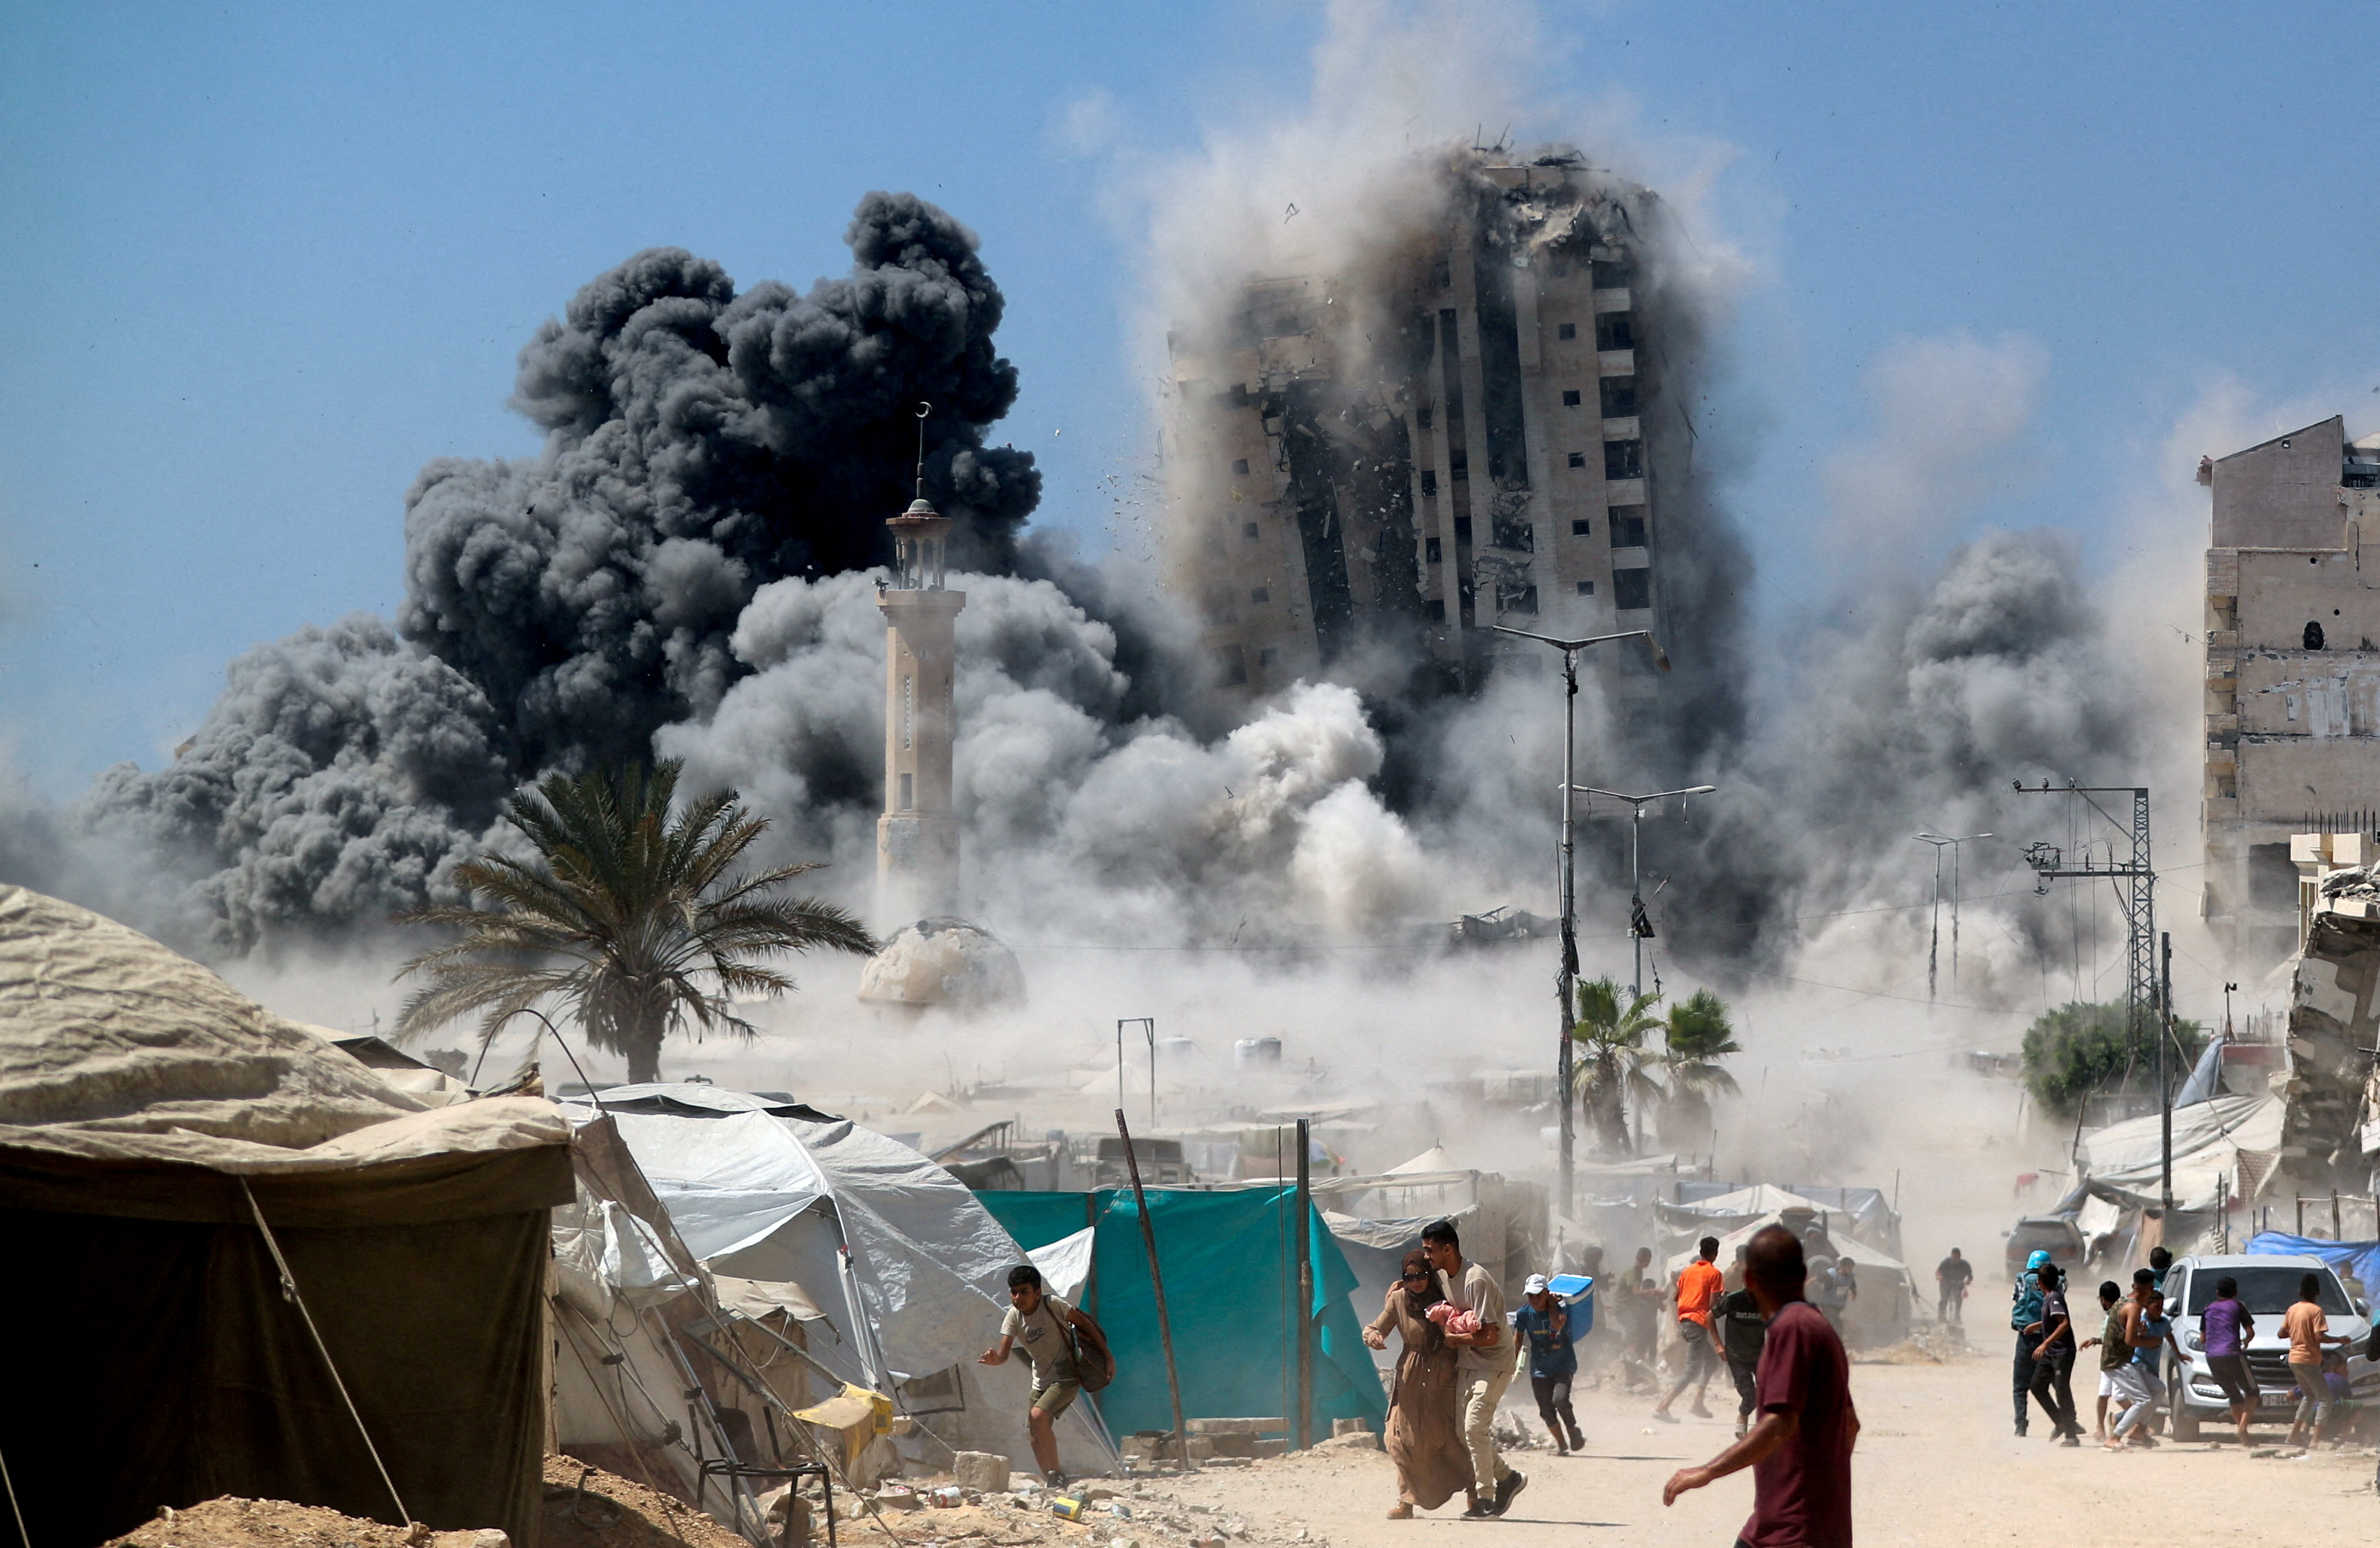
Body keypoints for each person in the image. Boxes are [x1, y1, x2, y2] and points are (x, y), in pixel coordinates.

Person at [1662, 1226, 1858, 1548]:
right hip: (1802, 1523)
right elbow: (1850, 1425)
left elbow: (1781, 1423)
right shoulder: (1818, 1327)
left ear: (1749, 1279)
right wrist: (1823, 1482)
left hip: (1792, 1530)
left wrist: (1708, 1471)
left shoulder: (1791, 1329)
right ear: (1803, 1274)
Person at [1421, 1219, 1526, 1518]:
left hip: (1494, 1363)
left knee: (1474, 1428)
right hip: (1469, 1361)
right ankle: (1508, 1478)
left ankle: (1486, 1499)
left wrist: (1455, 1338)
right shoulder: (1443, 1276)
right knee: (1463, 1430)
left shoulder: (1475, 1280)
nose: (1427, 1256)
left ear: (1448, 1249)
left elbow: (1490, 1336)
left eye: (1430, 1250)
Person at [1363, 1250, 1471, 1518]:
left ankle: (1474, 1490)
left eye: (1421, 1275)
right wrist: (1374, 1338)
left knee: (1445, 1439)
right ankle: (1406, 1501)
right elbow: (1374, 1328)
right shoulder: (1399, 1300)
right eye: (1409, 1277)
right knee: (1399, 1437)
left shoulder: (1447, 1297)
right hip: (1410, 1377)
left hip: (1443, 1375)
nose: (1416, 1282)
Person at [978, 1264, 1105, 1487]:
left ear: (1037, 1293)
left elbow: (1087, 1325)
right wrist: (994, 1360)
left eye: (1024, 1292)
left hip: (1067, 1375)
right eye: (1014, 1292)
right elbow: (1003, 1355)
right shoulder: (1014, 1317)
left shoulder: (1052, 1305)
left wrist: (1108, 1358)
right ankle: (1052, 1481)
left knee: (1038, 1417)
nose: (1018, 1298)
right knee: (1034, 1435)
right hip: (1041, 1379)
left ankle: (1057, 1473)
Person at [1652, 1236, 1726, 1424]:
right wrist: (1718, 1341)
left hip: (1685, 1323)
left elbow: (1676, 1297)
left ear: (1701, 1252)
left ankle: (1698, 1402)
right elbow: (1713, 1307)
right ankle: (1664, 1406)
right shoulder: (1715, 1274)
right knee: (1693, 1369)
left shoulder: (1687, 1272)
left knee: (1711, 1362)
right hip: (1698, 1325)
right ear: (1715, 1254)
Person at [1513, 1274, 1587, 1455]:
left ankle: (1573, 1430)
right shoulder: (1524, 1314)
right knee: (1546, 1411)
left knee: (1560, 1400)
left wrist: (1553, 1305)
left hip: (1564, 1364)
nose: (1535, 1300)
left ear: (1547, 1293)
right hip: (1539, 1369)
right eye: (1531, 1296)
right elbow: (1518, 1337)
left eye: (1539, 1295)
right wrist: (1512, 1362)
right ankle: (1562, 1445)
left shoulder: (1561, 1308)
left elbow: (1557, 1325)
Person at [2106, 1275, 2180, 1451]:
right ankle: (2115, 1436)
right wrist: (2148, 1341)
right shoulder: (2133, 1308)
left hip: (2130, 1363)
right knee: (2143, 1399)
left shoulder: (2135, 1308)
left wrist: (2179, 1354)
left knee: (2159, 1390)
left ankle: (2138, 1431)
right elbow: (2130, 1340)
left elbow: (2131, 1335)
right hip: (2124, 1362)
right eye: (2150, 1289)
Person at [2284, 1270, 2349, 1451]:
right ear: (2318, 1293)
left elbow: (2282, 1333)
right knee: (2326, 1398)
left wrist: (2298, 1331)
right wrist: (2340, 1340)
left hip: (2294, 1358)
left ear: (2300, 1292)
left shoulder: (2292, 1309)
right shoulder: (2316, 1311)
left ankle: (2294, 1434)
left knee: (2309, 1396)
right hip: (2309, 1359)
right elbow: (2319, 1337)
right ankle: (2316, 1439)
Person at [2019, 1264, 2082, 1444]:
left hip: (2062, 1352)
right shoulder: (2049, 1298)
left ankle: (2071, 1436)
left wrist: (2045, 1343)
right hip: (2051, 1352)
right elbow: (2052, 1319)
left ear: (2040, 1282)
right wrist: (2038, 1326)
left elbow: (2064, 1323)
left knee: (2062, 1390)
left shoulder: (2054, 1298)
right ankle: (2061, 1423)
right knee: (2037, 1386)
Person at [2198, 1274, 2258, 1447]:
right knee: (2253, 1392)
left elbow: (2203, 1339)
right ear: (2236, 1292)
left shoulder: (2208, 1309)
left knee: (2234, 1395)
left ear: (2218, 1293)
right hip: (2232, 1354)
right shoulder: (2238, 1306)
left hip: (2212, 1357)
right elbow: (2250, 1333)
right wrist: (2246, 1342)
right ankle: (2242, 1428)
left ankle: (2244, 1435)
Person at [1713, 1266, 1768, 1441]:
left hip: (1760, 1355)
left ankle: (1764, 1429)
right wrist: (1718, 1344)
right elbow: (1710, 1316)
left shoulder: (1766, 1301)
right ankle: (1743, 1417)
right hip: (1737, 1356)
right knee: (1749, 1395)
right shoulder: (1734, 1300)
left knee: (1769, 1392)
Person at [2074, 1279, 2124, 1443]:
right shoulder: (2113, 1315)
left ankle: (2134, 1424)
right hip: (2108, 1361)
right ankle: (2101, 1427)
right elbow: (2109, 1338)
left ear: (2103, 1299)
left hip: (2118, 1362)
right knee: (2104, 1394)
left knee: (2120, 1396)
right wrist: (2095, 1340)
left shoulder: (2117, 1316)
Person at [2009, 1248, 2050, 1438]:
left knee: (2020, 1385)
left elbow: (2017, 1301)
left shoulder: (2022, 1279)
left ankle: (2021, 1424)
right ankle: (2068, 1419)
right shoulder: (2057, 1282)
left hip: (2026, 1336)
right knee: (2055, 1382)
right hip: (2047, 1338)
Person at [1614, 1247, 1662, 1392]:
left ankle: (1630, 1356)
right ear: (1647, 1260)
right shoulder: (1634, 1272)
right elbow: (1636, 1292)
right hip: (1623, 1307)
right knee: (1632, 1330)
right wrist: (1653, 1291)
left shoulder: (1638, 1272)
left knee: (1636, 1333)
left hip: (1627, 1307)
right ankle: (1625, 1350)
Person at [1935, 1248, 1972, 1325]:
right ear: (1951, 1256)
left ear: (1960, 1256)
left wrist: (1968, 1281)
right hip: (1946, 1283)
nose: (1955, 1259)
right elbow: (1938, 1272)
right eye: (1954, 1257)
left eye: (1957, 1257)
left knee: (1958, 1300)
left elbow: (1970, 1276)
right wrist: (1940, 1277)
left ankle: (1957, 1318)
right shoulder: (1946, 1262)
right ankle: (1941, 1317)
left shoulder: (1965, 1265)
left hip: (1958, 1284)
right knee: (1944, 1299)